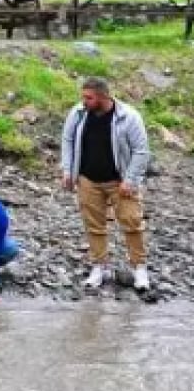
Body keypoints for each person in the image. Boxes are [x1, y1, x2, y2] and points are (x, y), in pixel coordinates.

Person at [60, 77, 152, 293]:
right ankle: (99, 267)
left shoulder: (129, 117)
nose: (84, 101)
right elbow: (67, 139)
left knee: (132, 222)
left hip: (119, 180)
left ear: (104, 97)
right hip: (87, 179)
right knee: (93, 224)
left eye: (88, 97)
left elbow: (141, 151)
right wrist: (67, 169)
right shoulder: (78, 113)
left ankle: (139, 268)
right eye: (83, 96)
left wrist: (130, 180)